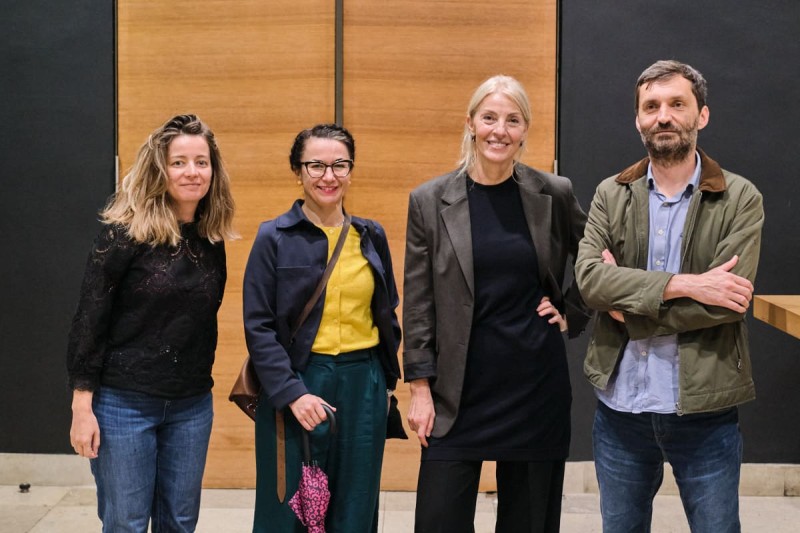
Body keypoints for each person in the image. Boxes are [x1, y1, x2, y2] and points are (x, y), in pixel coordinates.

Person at [575, 60, 764, 533]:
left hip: (705, 414)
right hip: (621, 412)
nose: (664, 116)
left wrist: (626, 304)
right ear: (638, 119)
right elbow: (589, 282)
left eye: (677, 104)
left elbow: (725, 302)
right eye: (651, 106)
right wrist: (685, 283)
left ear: (701, 115)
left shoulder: (740, 197)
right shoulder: (609, 193)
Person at [403, 75, 591, 532]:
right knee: (437, 521)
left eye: (512, 120)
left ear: (525, 129)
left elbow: (599, 256)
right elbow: (418, 300)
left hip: (532, 385)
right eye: (489, 118)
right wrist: (420, 387)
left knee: (528, 523)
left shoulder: (554, 192)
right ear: (470, 123)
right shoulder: (429, 200)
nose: (499, 130)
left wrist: (572, 308)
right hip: (456, 390)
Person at [67, 114, 237, 532]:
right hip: (124, 404)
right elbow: (90, 320)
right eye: (179, 162)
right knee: (126, 522)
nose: (192, 172)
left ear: (214, 171)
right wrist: (81, 407)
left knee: (179, 522)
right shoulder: (122, 234)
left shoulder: (210, 239)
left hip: (192, 404)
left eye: (201, 161)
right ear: (159, 168)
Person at [243, 123, 403, 532]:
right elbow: (259, 327)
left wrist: (384, 385)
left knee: (355, 505)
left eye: (339, 165)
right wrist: (292, 393)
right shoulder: (273, 237)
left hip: (362, 383)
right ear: (297, 171)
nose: (328, 176)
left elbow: (387, 312)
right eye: (316, 165)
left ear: (351, 170)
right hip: (298, 382)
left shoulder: (371, 235)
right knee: (290, 510)